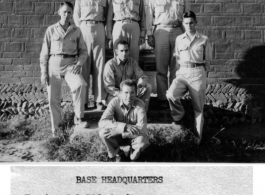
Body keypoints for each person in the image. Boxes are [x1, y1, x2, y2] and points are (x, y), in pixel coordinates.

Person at [40, 2, 89, 136]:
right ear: (59, 12)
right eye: (64, 12)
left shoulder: (76, 31)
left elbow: (83, 51)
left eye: (69, 12)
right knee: (53, 98)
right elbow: (44, 53)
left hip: (70, 64)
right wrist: (44, 72)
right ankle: (57, 129)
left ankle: (78, 117)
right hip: (53, 65)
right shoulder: (51, 30)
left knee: (80, 84)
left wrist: (79, 64)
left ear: (72, 14)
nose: (67, 15)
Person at [166, 11, 213, 145]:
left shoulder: (204, 39)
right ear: (183, 24)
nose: (189, 25)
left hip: (198, 72)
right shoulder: (179, 39)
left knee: (198, 108)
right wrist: (179, 73)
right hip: (183, 72)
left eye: (191, 22)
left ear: (196, 23)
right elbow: (177, 58)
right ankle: (179, 116)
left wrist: (202, 76)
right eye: (186, 23)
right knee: (171, 94)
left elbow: (207, 61)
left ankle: (197, 139)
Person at [146, 0, 190, 108]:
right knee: (161, 68)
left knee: (176, 68)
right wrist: (149, 34)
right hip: (161, 30)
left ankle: (174, 98)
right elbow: (149, 15)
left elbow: (187, 15)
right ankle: (162, 99)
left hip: (178, 31)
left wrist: (188, 35)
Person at [99, 79, 150, 162]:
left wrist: (121, 132)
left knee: (142, 141)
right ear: (121, 93)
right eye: (126, 93)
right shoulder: (114, 102)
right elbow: (102, 123)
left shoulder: (140, 104)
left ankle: (133, 153)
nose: (129, 96)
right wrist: (124, 126)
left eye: (132, 92)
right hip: (120, 136)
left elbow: (142, 129)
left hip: (134, 137)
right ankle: (118, 153)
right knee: (103, 133)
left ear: (136, 93)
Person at [73, 0, 108, 110]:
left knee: (100, 64)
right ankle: (84, 101)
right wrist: (80, 30)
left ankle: (99, 99)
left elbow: (106, 15)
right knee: (84, 64)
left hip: (99, 27)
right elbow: (76, 15)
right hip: (84, 27)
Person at [103, 40, 152, 111]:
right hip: (116, 95)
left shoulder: (133, 62)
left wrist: (139, 86)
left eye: (126, 51)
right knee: (118, 108)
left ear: (129, 51)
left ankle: (142, 113)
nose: (124, 53)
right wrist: (122, 95)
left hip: (130, 93)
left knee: (148, 87)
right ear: (116, 52)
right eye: (121, 51)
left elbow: (143, 77)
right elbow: (109, 87)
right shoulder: (110, 65)